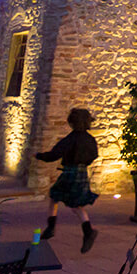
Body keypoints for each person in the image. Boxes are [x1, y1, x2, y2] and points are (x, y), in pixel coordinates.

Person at [35, 108, 100, 253]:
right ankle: (87, 230)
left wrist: (39, 155)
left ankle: (52, 228)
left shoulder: (70, 139)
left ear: (72, 123)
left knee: (55, 197)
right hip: (81, 172)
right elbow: (94, 155)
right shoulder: (90, 139)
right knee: (76, 204)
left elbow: (54, 154)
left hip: (70, 172)